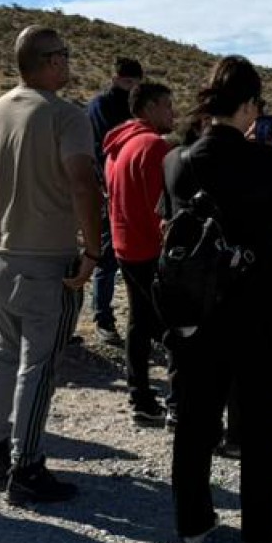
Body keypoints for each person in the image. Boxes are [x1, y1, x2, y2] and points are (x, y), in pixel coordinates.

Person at [163, 56, 272, 543]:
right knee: (263, 417)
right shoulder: (269, 161)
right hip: (263, 305)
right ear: (249, 105)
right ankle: (263, 525)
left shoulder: (179, 162)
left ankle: (193, 520)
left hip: (199, 309)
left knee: (196, 415)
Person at [0, 26, 103, 504]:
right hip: (48, 255)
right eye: (65, 56)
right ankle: (25, 467)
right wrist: (93, 251)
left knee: (4, 354)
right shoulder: (65, 116)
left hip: (3, 252)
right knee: (40, 364)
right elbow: (83, 184)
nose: (68, 63)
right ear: (50, 62)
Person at [101, 80, 176, 426]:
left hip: (124, 246)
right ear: (149, 108)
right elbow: (161, 208)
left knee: (138, 322)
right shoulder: (154, 147)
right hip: (151, 248)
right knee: (175, 326)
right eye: (167, 105)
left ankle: (140, 396)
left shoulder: (117, 146)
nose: (172, 112)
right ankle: (179, 400)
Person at [86, 57, 145, 344]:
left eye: (135, 83)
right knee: (107, 256)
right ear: (115, 78)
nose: (130, 87)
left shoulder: (135, 109)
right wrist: (106, 187)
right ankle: (102, 318)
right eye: (126, 81)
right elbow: (100, 150)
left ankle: (144, 321)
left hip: (134, 192)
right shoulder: (101, 108)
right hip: (107, 191)